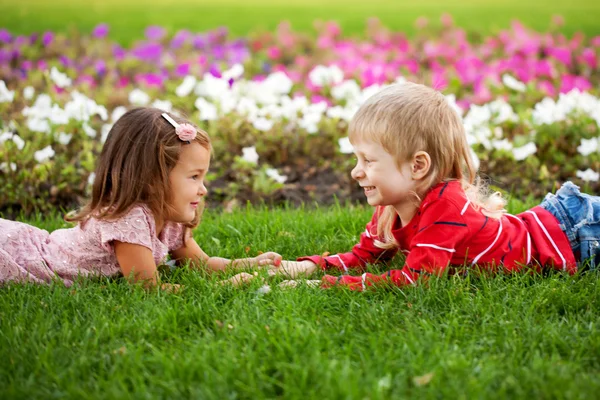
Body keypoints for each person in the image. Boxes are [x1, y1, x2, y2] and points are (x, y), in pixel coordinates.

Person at [271, 82, 600, 291]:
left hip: (576, 234)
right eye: (357, 159)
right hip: (564, 226)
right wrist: (304, 267)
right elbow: (363, 257)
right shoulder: (391, 209)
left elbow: (417, 280)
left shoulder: (445, 205)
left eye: (369, 161)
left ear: (417, 166)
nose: (356, 172)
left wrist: (321, 286)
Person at [0, 107, 281, 289]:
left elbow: (199, 265)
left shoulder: (168, 216)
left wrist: (242, 265)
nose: (203, 189)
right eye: (194, 177)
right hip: (25, 258)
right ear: (153, 179)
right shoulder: (128, 220)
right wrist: (225, 286)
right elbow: (149, 288)